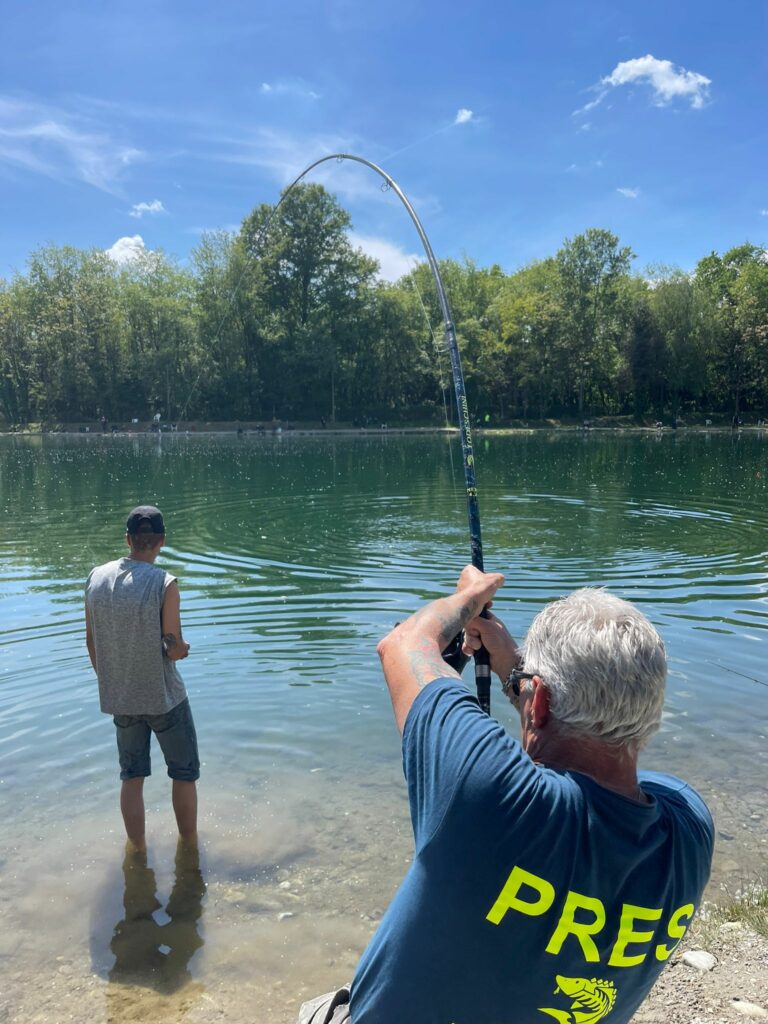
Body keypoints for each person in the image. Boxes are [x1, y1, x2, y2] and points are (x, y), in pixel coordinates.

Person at [298, 567, 714, 1024]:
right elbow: (603, 765)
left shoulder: (493, 794)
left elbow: (403, 645)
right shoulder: (690, 829)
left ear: (539, 703)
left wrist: (472, 599)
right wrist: (523, 677)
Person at [85, 505, 199, 852]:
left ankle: (137, 849)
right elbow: (171, 645)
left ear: (128, 539)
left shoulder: (96, 578)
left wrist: (115, 681)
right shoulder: (164, 583)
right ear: (161, 541)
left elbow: (92, 641)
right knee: (184, 773)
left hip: (122, 698)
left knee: (131, 777)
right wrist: (183, 649)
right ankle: (189, 845)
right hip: (165, 698)